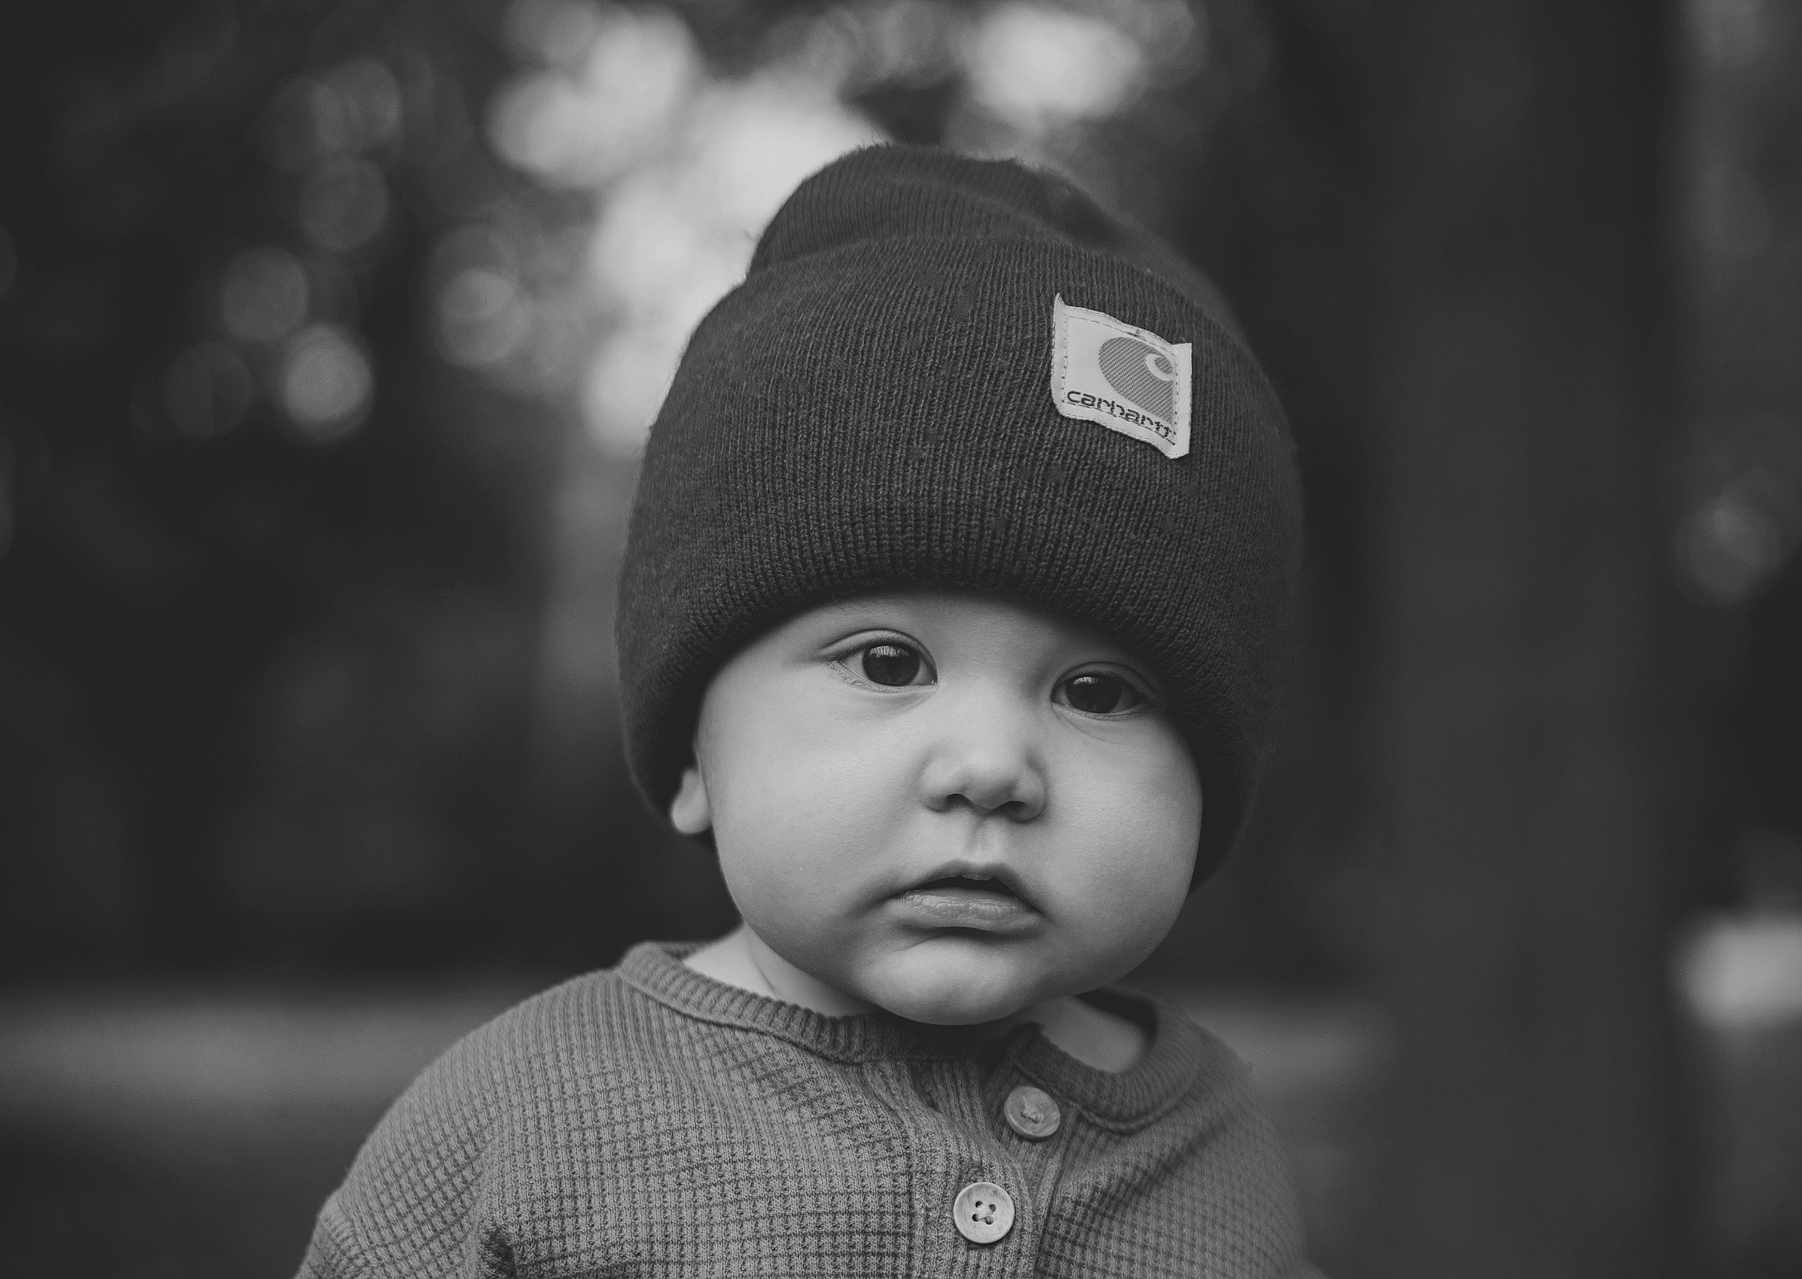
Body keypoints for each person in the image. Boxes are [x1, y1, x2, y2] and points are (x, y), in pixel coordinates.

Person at [295, 142, 1320, 1277]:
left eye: (1097, 691)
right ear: (694, 752)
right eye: (886, 663)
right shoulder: (519, 1123)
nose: (989, 764)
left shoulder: (1221, 1153)